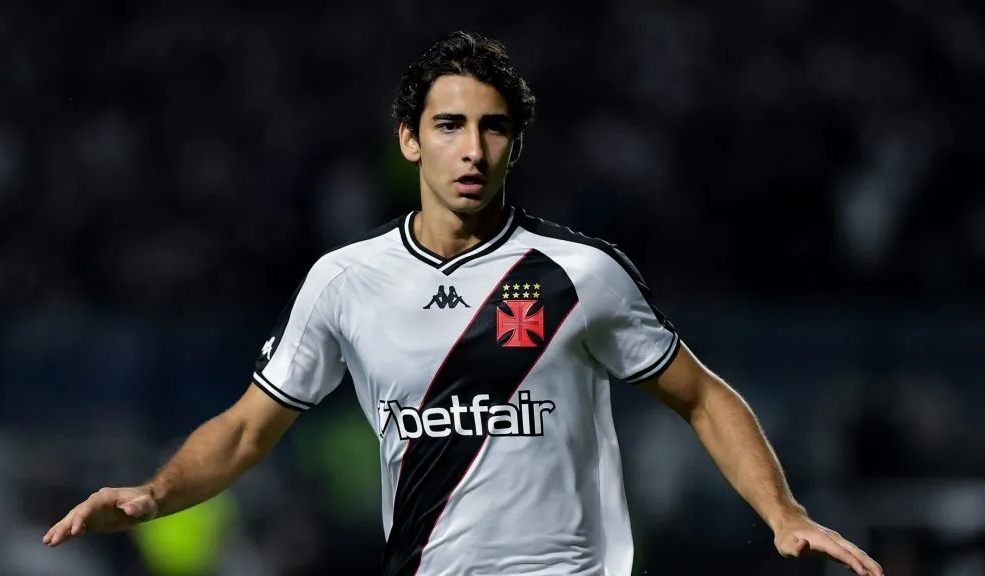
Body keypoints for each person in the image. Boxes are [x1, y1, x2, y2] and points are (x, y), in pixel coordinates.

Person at [43, 31, 884, 576]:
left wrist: (784, 513)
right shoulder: (346, 280)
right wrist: (155, 496)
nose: (471, 149)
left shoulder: (576, 274)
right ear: (411, 140)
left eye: (491, 128)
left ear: (515, 144)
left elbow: (700, 395)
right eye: (449, 126)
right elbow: (245, 429)